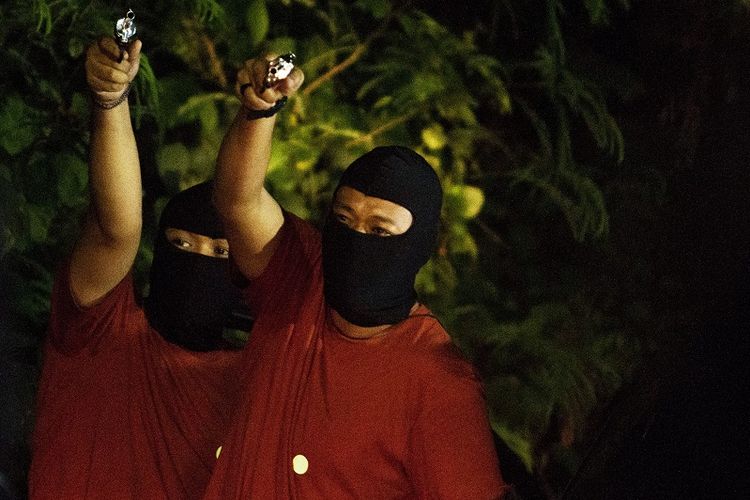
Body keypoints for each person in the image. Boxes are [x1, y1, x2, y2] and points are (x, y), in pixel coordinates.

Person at [202, 54, 510, 498]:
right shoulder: (300, 278)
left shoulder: (438, 384)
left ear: (420, 246)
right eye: (345, 220)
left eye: (380, 230)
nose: (357, 239)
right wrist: (258, 112)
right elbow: (237, 199)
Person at [28, 37, 248, 498]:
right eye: (182, 243)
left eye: (220, 253)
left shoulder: (255, 380)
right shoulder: (98, 332)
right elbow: (118, 227)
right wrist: (110, 102)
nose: (198, 260)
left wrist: (260, 117)